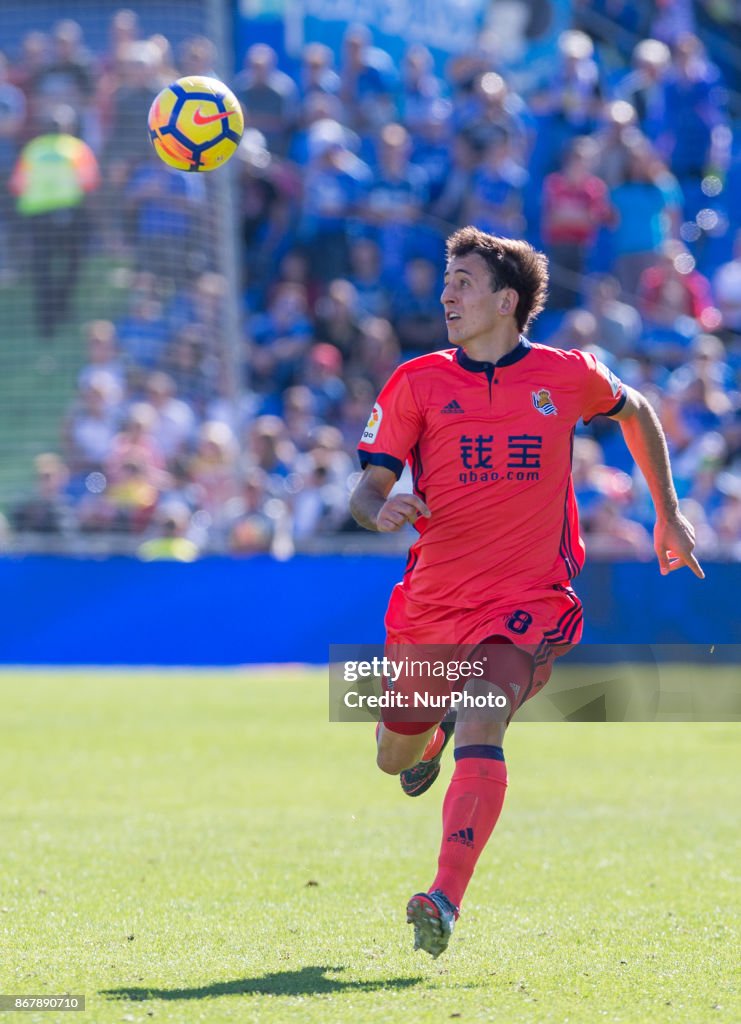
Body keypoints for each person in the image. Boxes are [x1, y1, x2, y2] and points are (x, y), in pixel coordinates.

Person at [349, 226, 704, 959]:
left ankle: (442, 898)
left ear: (505, 300)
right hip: (432, 603)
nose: (446, 294)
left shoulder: (564, 374)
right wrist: (375, 509)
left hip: (525, 600)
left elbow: (634, 410)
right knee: (391, 756)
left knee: (484, 716)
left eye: (463, 283)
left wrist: (667, 512)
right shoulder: (417, 381)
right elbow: (367, 487)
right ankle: (427, 736)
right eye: (446, 282)